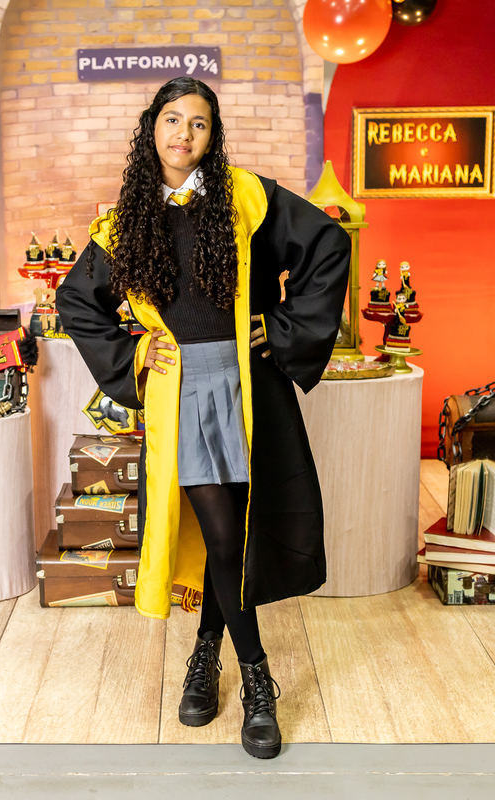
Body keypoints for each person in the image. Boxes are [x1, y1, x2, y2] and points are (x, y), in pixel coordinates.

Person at [56, 77, 350, 760]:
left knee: (233, 533)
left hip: (247, 387)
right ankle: (258, 681)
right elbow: (78, 302)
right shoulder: (125, 221)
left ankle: (204, 651)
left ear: (212, 136)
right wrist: (136, 354)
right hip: (181, 391)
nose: (183, 133)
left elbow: (329, 244)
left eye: (198, 123)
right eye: (172, 119)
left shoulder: (245, 198)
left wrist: (281, 327)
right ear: (151, 128)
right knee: (221, 533)